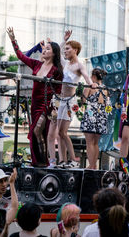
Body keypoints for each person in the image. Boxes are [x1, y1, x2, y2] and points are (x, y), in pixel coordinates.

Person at [7, 27, 63, 167]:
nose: (44, 50)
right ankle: (38, 161)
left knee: (38, 129)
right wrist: (13, 40)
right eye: (44, 49)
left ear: (54, 53)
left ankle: (44, 162)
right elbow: (21, 56)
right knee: (35, 133)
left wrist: (55, 108)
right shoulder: (36, 64)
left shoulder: (57, 71)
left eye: (48, 49)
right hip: (35, 103)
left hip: (47, 104)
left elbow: (58, 91)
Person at [57, 39, 96, 169]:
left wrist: (91, 84)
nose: (65, 51)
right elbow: (57, 52)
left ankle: (73, 159)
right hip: (61, 101)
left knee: (63, 131)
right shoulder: (65, 64)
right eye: (65, 49)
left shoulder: (80, 65)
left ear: (75, 50)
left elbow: (86, 76)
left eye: (68, 49)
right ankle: (62, 160)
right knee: (59, 133)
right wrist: (64, 39)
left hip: (71, 102)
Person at [80, 68, 109, 169]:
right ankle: (94, 164)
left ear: (93, 76)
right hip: (101, 116)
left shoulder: (89, 86)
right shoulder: (105, 88)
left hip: (91, 114)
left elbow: (83, 100)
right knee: (96, 143)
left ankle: (91, 165)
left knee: (89, 142)